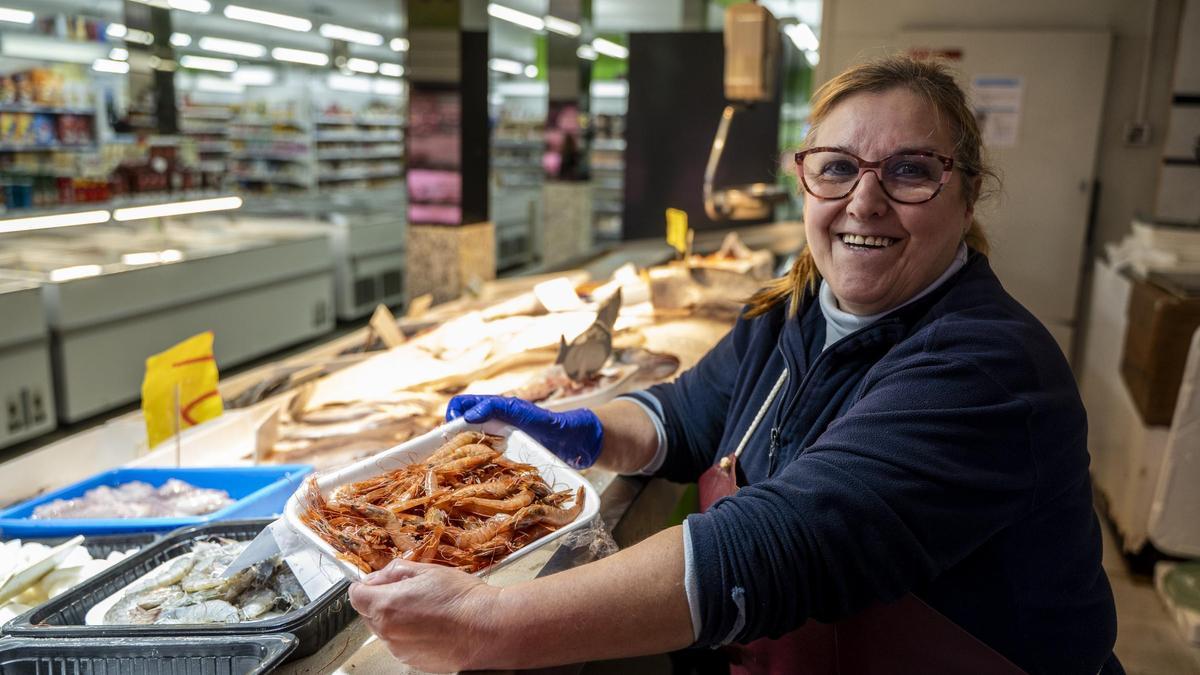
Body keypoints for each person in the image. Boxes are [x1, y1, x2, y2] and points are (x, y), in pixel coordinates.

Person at [348, 55, 1121, 675]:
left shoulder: (986, 366)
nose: (865, 200)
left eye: (910, 171)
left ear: (968, 193)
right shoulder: (791, 309)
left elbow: (784, 542)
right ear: (805, 178)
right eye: (838, 167)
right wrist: (577, 431)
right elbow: (686, 413)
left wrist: (485, 623)